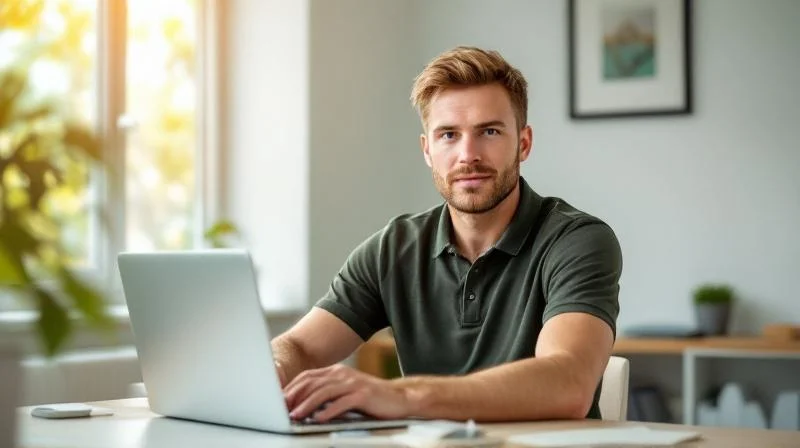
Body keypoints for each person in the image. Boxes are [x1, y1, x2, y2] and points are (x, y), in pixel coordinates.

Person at [272, 46, 622, 423]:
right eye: (448, 135)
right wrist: (272, 370)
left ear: (523, 142)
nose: (467, 154)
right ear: (427, 150)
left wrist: (400, 395)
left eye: (488, 131)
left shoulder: (578, 240)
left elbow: (568, 383)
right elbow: (300, 347)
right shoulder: (393, 249)